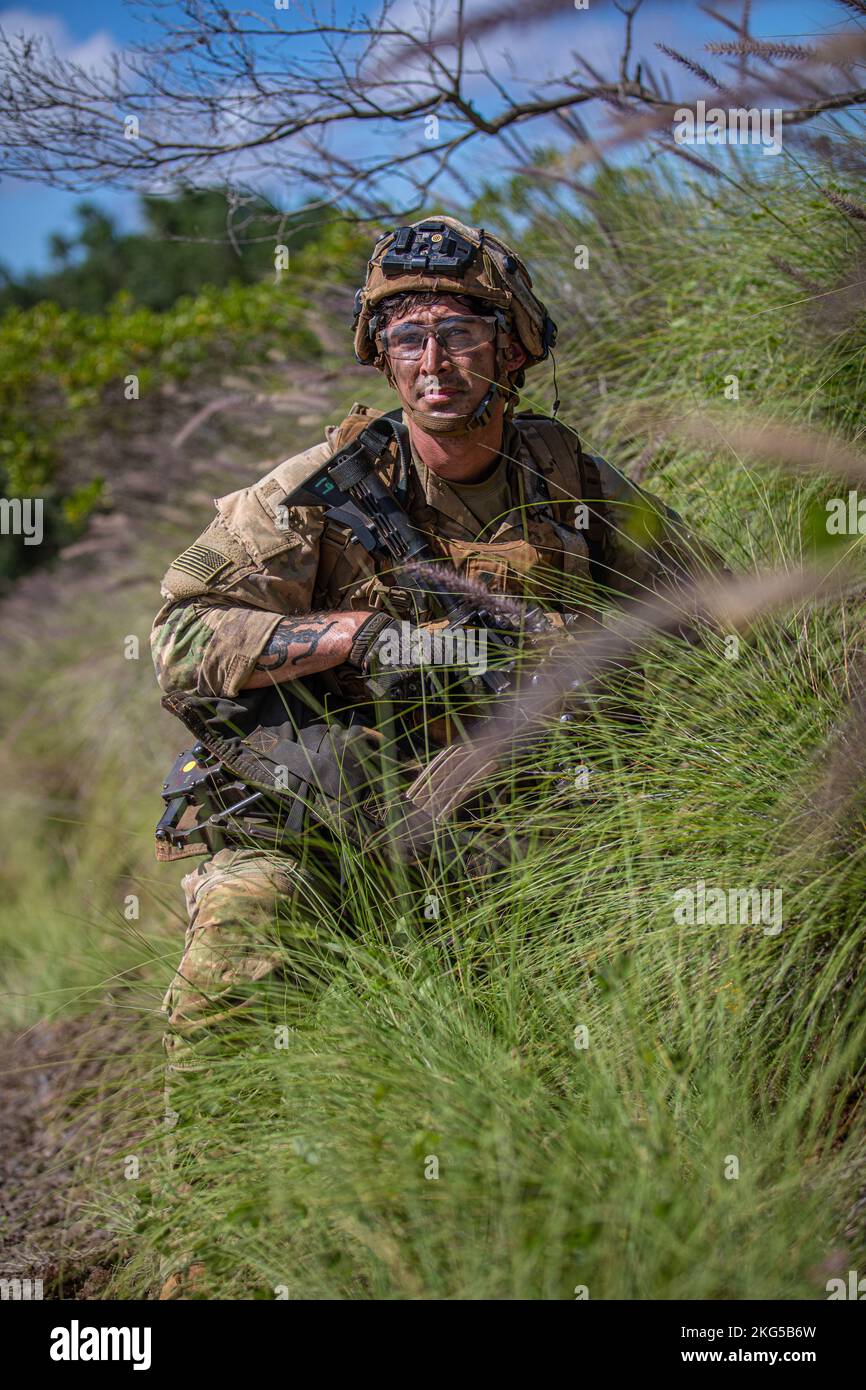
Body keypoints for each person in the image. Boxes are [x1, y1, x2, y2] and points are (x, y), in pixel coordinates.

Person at [150, 215, 720, 1294]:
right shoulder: (316, 493)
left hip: (518, 818)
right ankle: (204, 1245)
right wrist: (352, 635)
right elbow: (176, 641)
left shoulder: (573, 487)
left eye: (457, 331)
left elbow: (713, 610)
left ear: (509, 346)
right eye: (403, 337)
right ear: (379, 356)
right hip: (328, 811)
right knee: (241, 937)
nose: (432, 361)